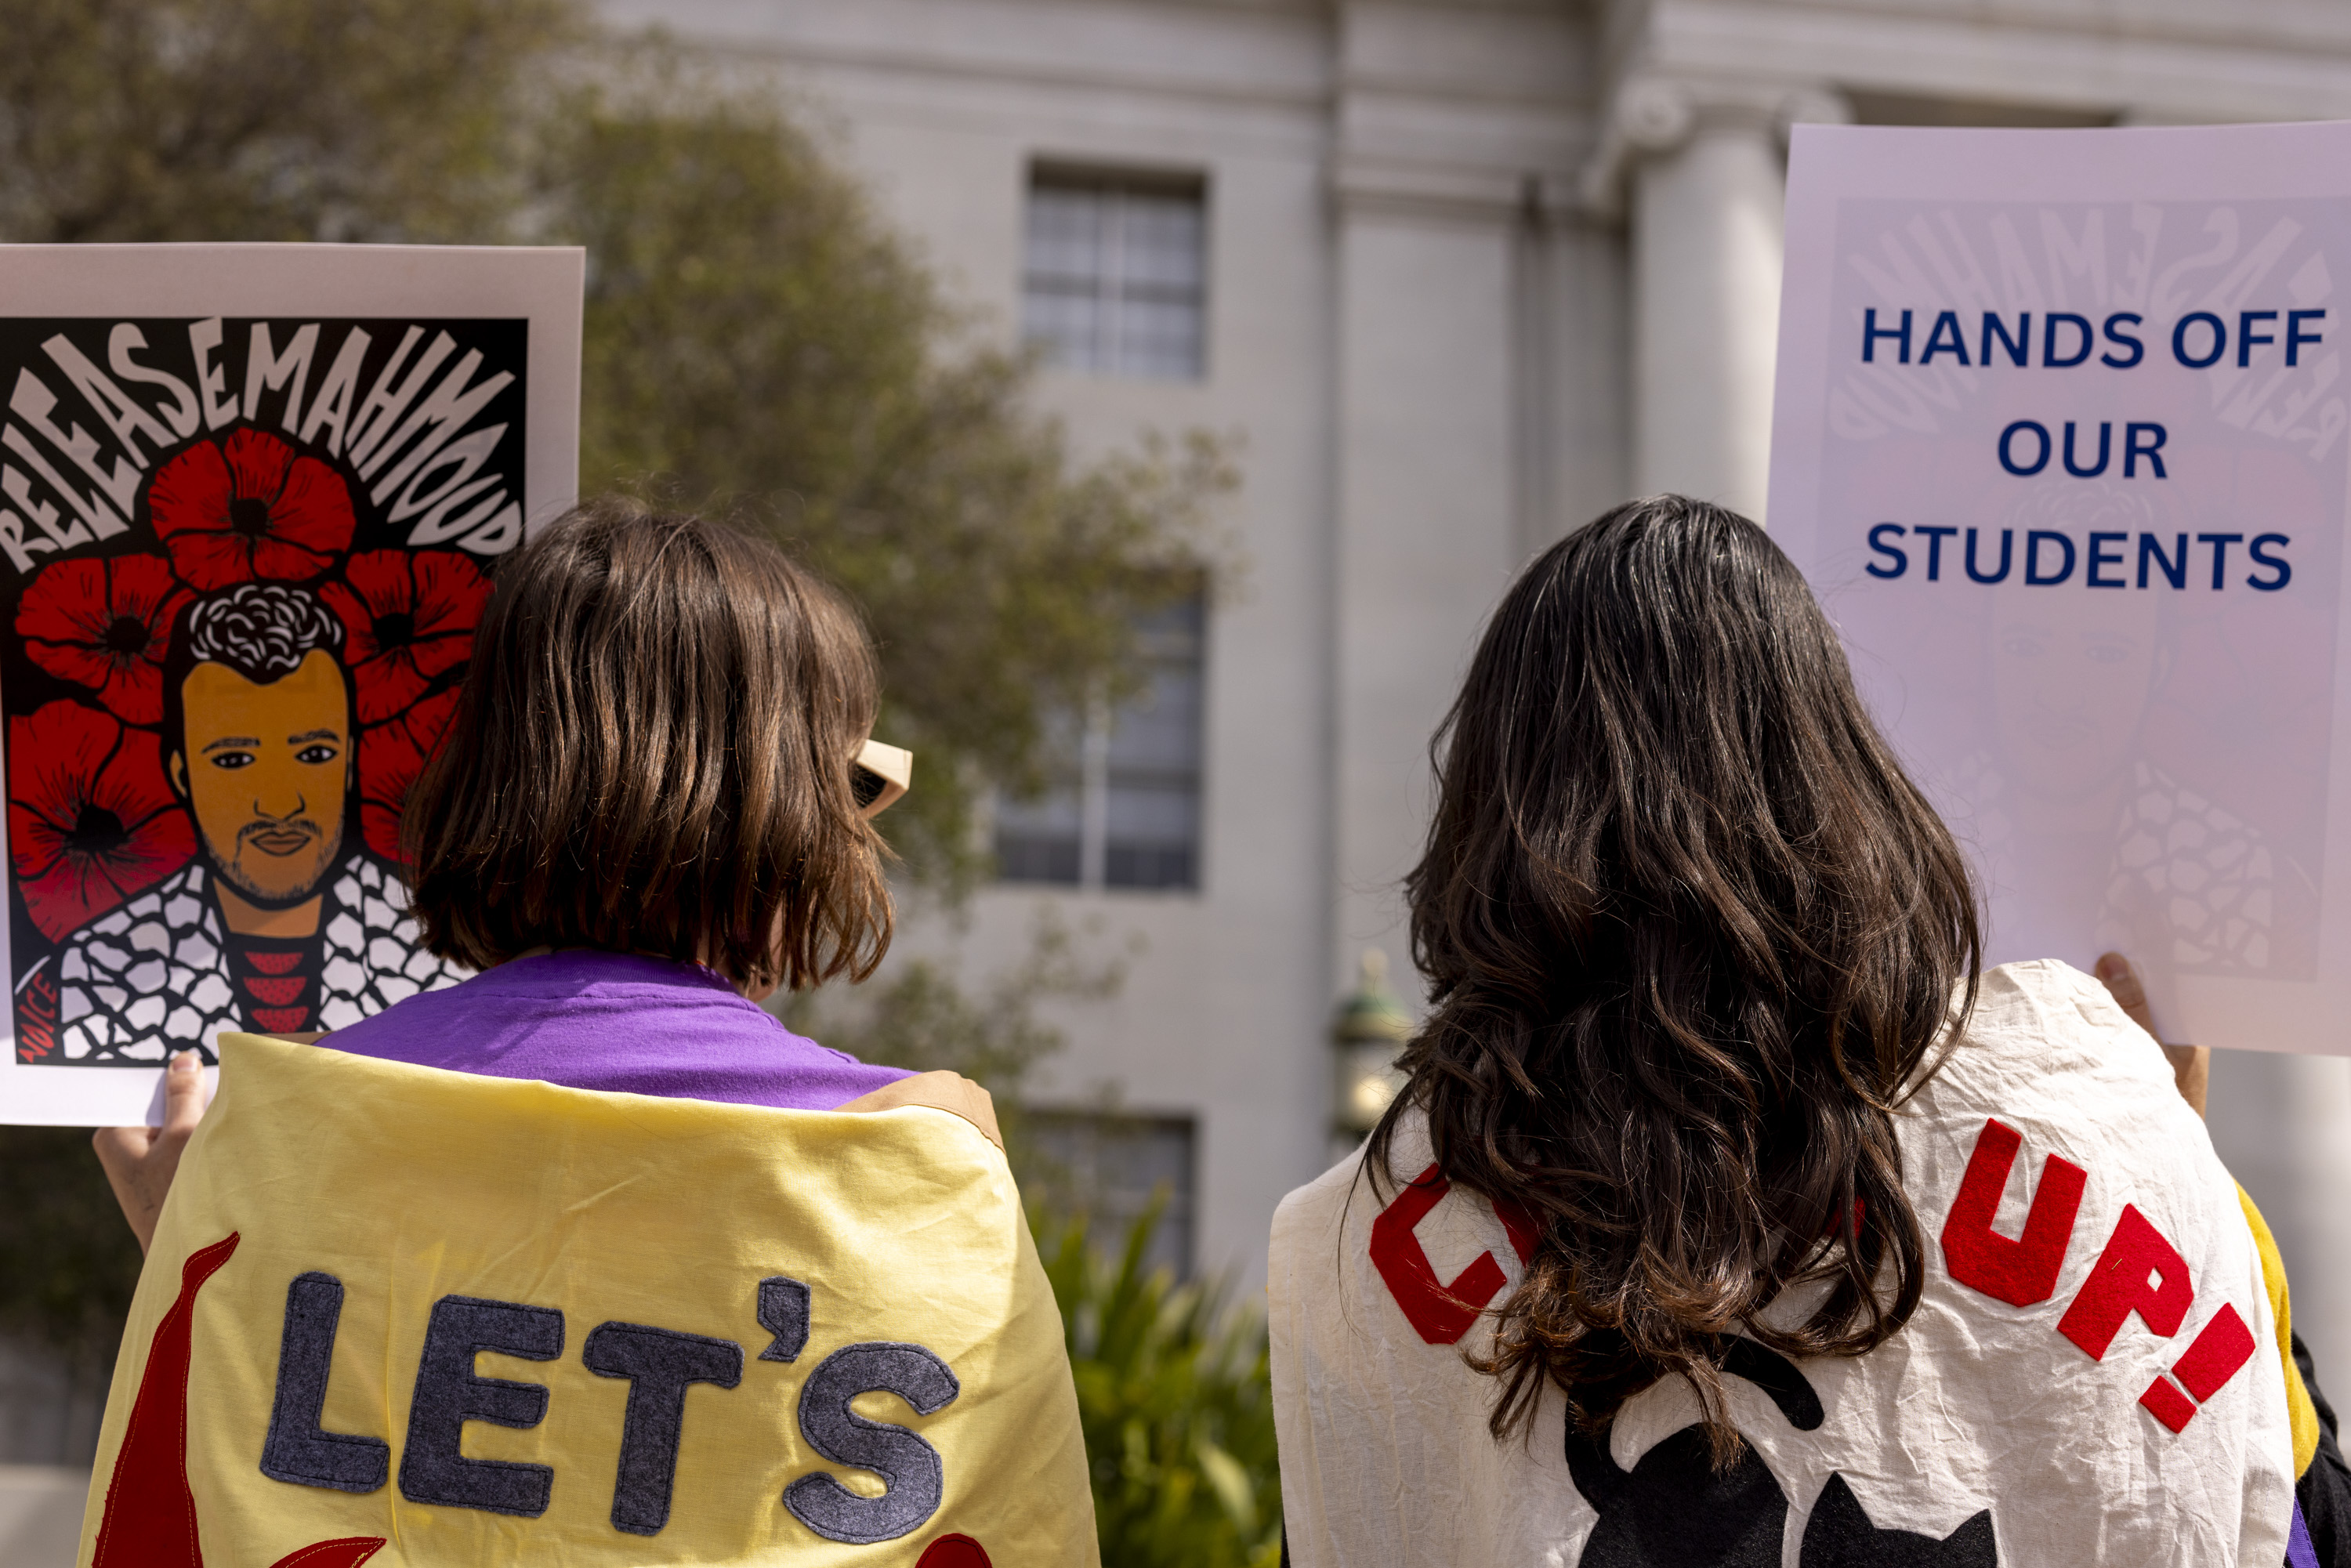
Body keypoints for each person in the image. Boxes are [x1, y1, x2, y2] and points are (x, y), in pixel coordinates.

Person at [1267, 495, 2351, 1566]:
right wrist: (2169, 1160)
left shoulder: (1357, 1259)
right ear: (1842, 792)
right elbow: (2291, 1526)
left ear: (1495, 828)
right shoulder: (2100, 1131)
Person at [93, 498, 911, 1247]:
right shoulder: (901, 1162)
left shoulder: (286, 1130)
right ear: (780, 817)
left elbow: (247, 1406)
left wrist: (192, 1241)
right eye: (853, 787)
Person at [54, 581, 465, 1060]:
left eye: (314, 754)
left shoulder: (439, 949)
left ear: (349, 764)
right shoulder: (103, 962)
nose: (279, 804)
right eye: (233, 760)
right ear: (182, 774)